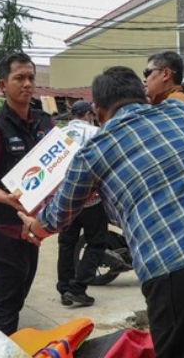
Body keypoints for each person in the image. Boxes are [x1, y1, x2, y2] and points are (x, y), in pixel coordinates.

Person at [19, 66, 184, 358]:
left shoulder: (91, 154)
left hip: (172, 272)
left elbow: (58, 215)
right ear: (144, 95)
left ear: (97, 112)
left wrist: (33, 227)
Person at [0, 51, 54, 335]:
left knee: (13, 302)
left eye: (31, 78)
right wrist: (6, 197)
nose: (27, 84)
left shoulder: (46, 124)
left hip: (33, 229)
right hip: (4, 230)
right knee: (8, 308)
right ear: (3, 85)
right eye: (19, 78)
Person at [56, 100, 110, 307]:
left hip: (66, 201)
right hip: (91, 200)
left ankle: (64, 289)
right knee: (96, 243)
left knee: (66, 244)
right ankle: (78, 288)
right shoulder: (96, 132)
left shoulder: (59, 135)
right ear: (88, 114)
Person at [143, 50, 184, 122]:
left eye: (147, 73)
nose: (144, 79)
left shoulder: (176, 104)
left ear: (166, 74)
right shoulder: (164, 103)